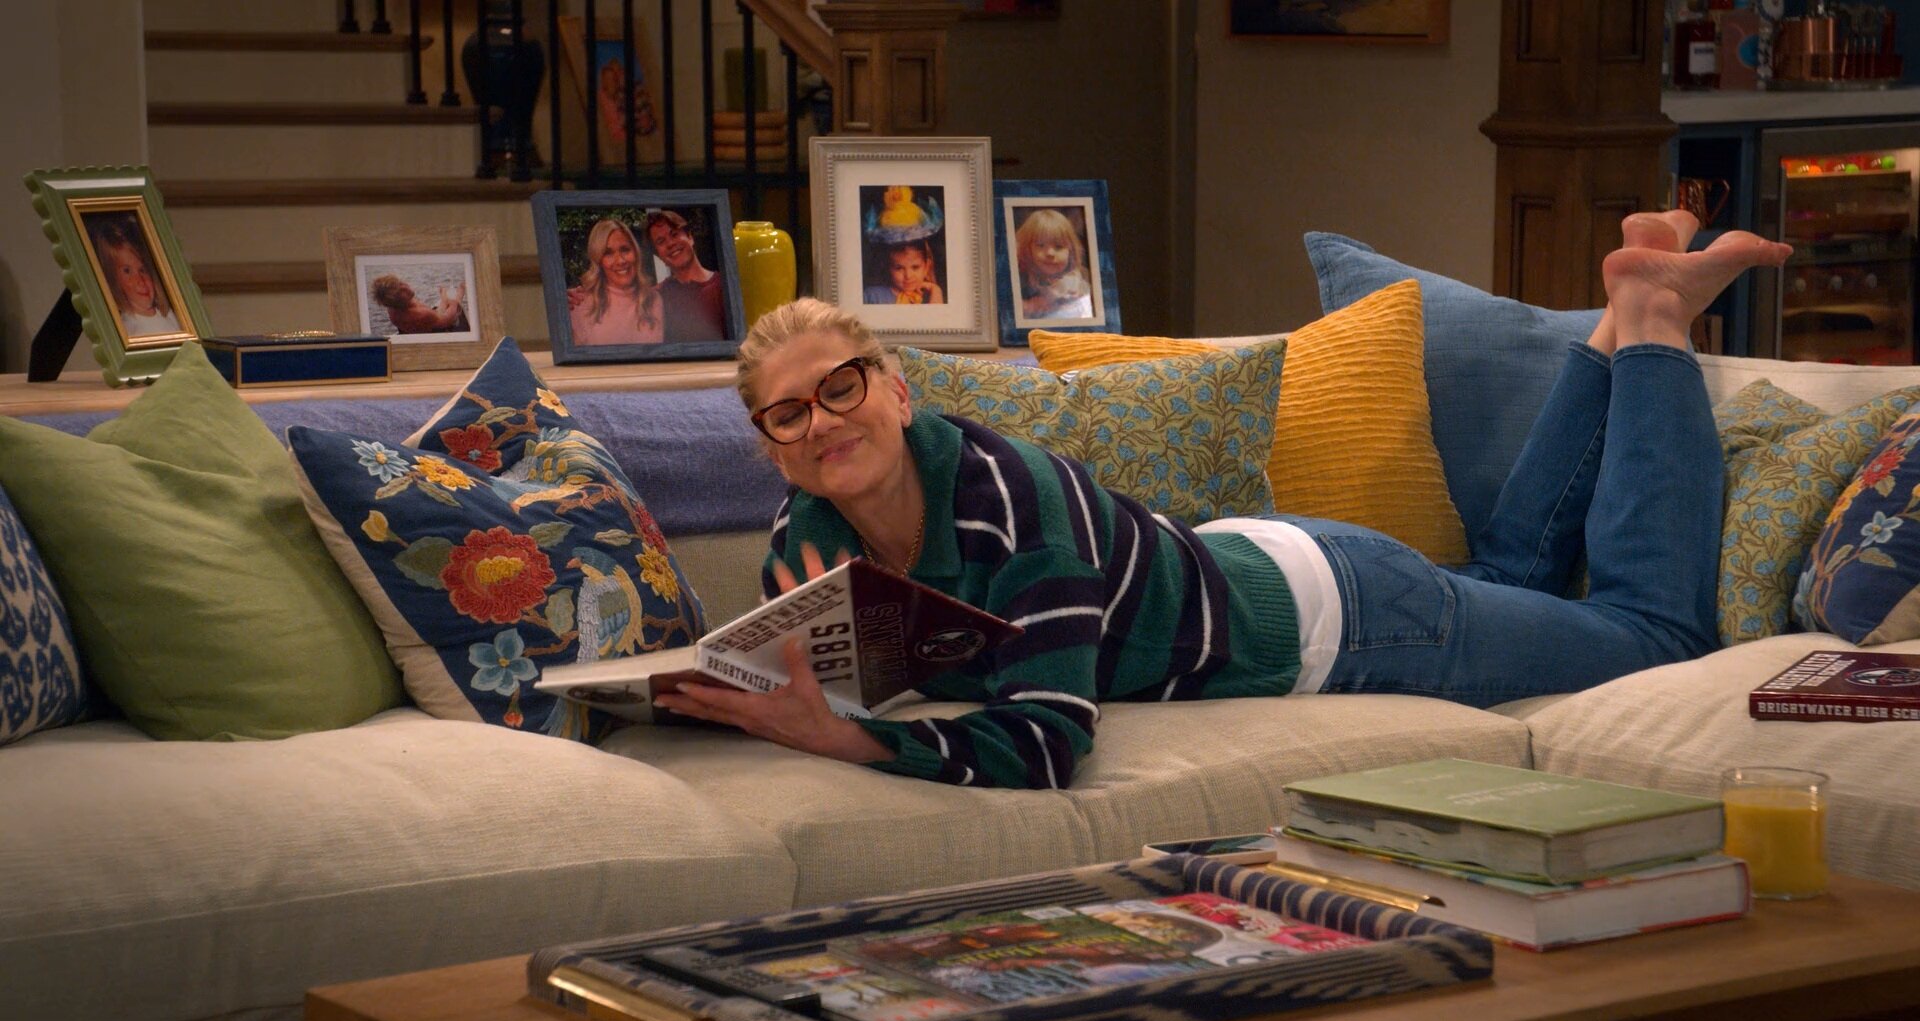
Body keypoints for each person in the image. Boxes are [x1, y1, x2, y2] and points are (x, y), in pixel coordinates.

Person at [653, 211, 1791, 792]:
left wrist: (848, 740)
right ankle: (1621, 314)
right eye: (787, 415)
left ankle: (1652, 324)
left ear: (898, 392)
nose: (821, 423)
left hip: (1342, 618)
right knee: (1507, 578)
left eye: (840, 388)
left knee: (1654, 637)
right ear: (773, 448)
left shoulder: (1011, 500)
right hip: (1255, 557)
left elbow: (1048, 741)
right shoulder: (807, 531)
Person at [566, 218, 664, 346]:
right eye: (608, 253)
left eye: (625, 249)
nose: (620, 261)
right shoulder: (578, 304)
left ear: (635, 252)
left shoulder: (655, 300)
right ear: (598, 260)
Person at [644, 209, 727, 342]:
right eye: (661, 241)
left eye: (674, 234)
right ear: (658, 255)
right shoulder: (655, 297)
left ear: (690, 237)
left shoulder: (725, 287)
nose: (670, 243)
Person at [90, 217, 180, 337]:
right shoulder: (128, 329)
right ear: (114, 280)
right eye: (127, 271)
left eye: (142, 270)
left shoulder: (169, 315)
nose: (140, 280)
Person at [1015, 208, 1092, 319]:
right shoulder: (1022, 278)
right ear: (1028, 249)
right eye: (1040, 245)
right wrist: (1028, 306)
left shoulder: (1081, 276)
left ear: (1071, 251)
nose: (1050, 253)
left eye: (1058, 247)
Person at [370, 273, 469, 335]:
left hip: (425, 323)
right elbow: (448, 320)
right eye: (400, 292)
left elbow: (435, 314)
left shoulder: (394, 305)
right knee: (454, 300)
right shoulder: (419, 314)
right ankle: (459, 292)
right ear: (396, 301)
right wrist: (455, 300)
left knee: (447, 298)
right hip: (435, 330)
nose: (407, 287)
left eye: (400, 283)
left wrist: (444, 297)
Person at [862, 238, 945, 305]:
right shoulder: (872, 296)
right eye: (899, 268)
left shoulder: (932, 296)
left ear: (927, 267)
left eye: (915, 267)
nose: (908, 276)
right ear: (889, 268)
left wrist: (936, 290)